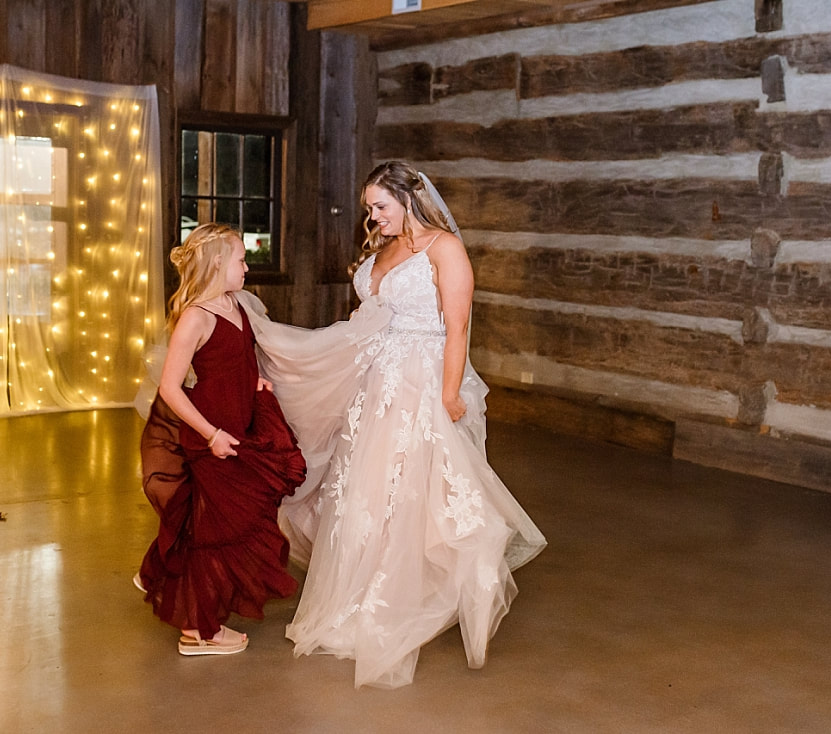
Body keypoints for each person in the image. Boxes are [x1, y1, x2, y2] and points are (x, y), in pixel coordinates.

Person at [236, 161, 547, 688]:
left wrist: (449, 394)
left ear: (411, 199)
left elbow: (458, 326)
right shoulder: (386, 245)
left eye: (381, 206)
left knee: (413, 492)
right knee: (365, 490)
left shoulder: (444, 248)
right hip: (374, 382)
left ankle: (404, 599)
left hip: (420, 382)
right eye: (370, 209)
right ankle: (356, 598)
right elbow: (369, 317)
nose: (373, 217)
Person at [136, 223, 307, 656]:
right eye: (240, 260)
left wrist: (256, 383)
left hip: (240, 427)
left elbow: (238, 358)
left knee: (223, 520)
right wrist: (210, 434)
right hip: (212, 435)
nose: (246, 267)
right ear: (217, 264)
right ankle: (198, 631)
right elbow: (172, 388)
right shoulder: (196, 316)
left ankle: (160, 569)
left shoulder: (235, 304)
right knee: (216, 531)